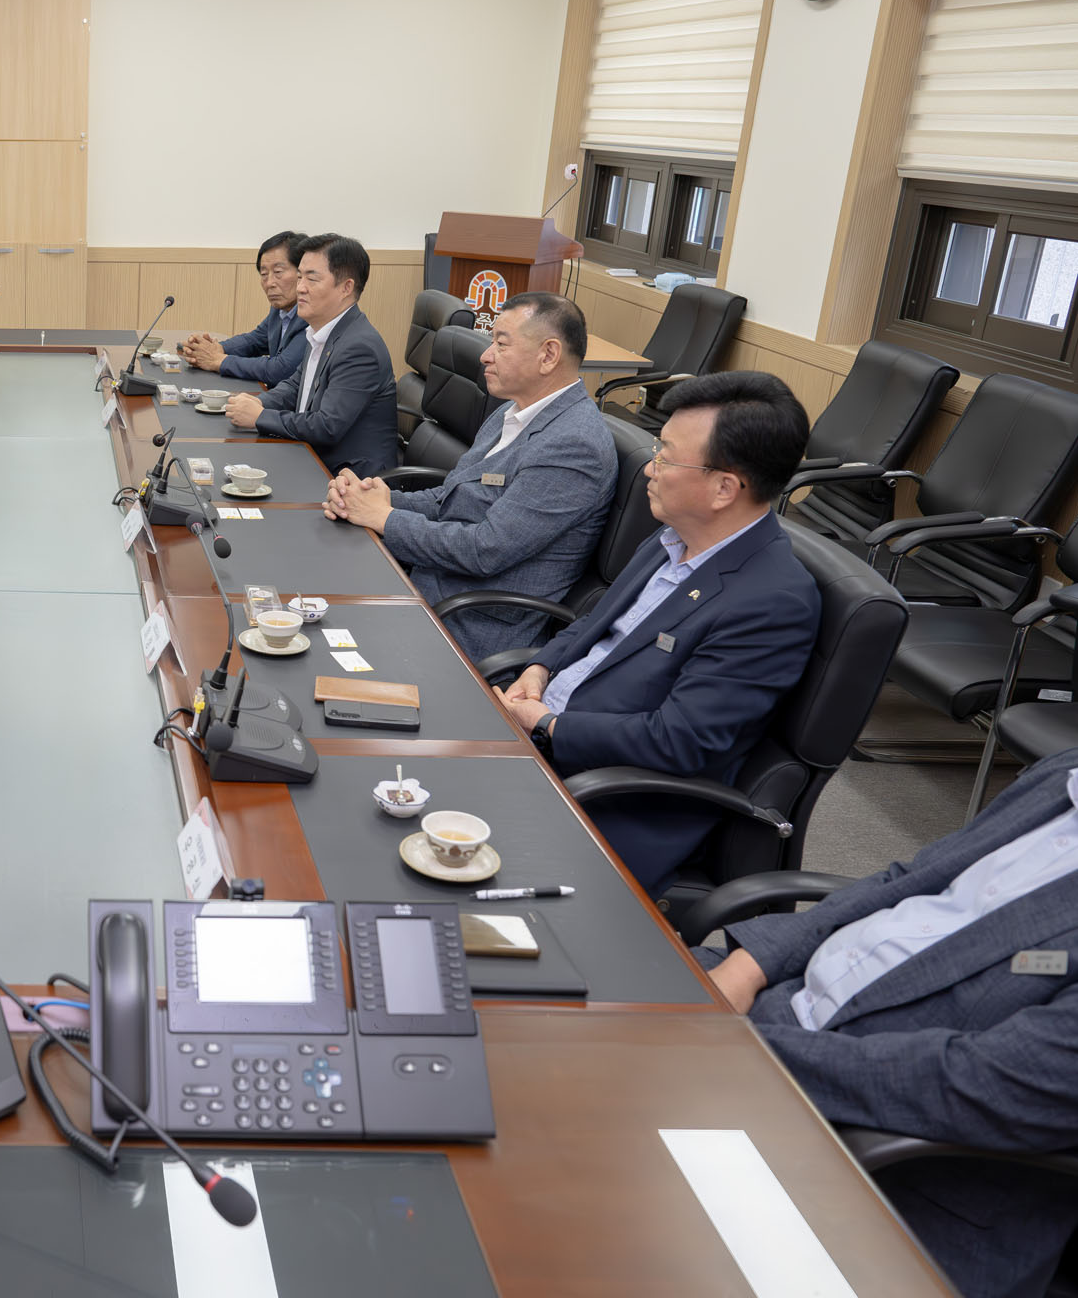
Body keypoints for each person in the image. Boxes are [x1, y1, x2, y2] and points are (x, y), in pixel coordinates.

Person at [703, 747, 1078, 1298]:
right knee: (574, 1014)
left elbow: (988, 1084)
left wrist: (744, 1050)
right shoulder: (1064, 775)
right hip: (768, 1013)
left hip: (880, 1160)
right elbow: (905, 879)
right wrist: (747, 967)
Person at [495, 371, 820, 894]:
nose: (650, 468)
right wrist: (540, 667)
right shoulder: (672, 537)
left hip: (603, 797)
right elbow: (593, 625)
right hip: (537, 737)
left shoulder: (772, 601)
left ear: (724, 488)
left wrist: (549, 724)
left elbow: (677, 741)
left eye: (666, 457)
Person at [323, 293, 615, 660]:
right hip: (431, 581)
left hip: (467, 622)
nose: (485, 355)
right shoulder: (512, 412)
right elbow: (451, 497)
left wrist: (384, 518)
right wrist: (373, 499)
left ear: (548, 355)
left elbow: (485, 550)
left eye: (501, 344)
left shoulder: (574, 445)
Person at [222, 233, 397, 475]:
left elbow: (326, 426)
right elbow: (295, 387)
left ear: (346, 287)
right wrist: (258, 403)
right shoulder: (322, 330)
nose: (300, 288)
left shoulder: (359, 348)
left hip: (349, 477)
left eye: (311, 279)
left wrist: (260, 416)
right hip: (312, 457)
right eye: (300, 277)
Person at [177, 230, 308, 384]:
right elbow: (255, 340)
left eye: (278, 272)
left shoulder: (311, 315)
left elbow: (281, 370)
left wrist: (219, 361)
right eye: (264, 274)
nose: (269, 283)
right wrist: (216, 348)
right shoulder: (280, 308)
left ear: (302, 272)